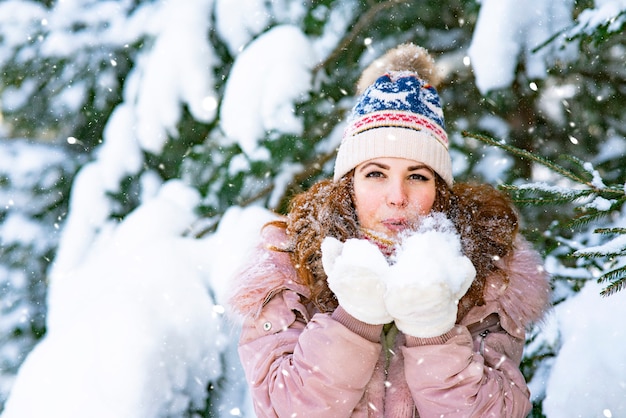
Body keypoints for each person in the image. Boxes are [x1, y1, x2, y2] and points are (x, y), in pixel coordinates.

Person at [228, 43, 551, 417]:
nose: (397, 197)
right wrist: (354, 319)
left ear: (439, 191)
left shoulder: (485, 274)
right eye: (376, 173)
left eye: (416, 175)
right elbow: (285, 409)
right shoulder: (288, 269)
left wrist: (433, 331)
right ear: (348, 184)